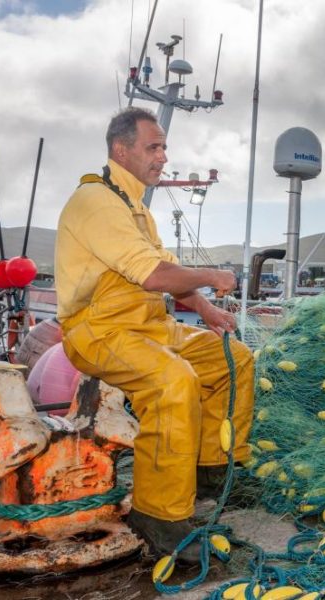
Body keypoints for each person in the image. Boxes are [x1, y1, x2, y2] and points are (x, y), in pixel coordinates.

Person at [55, 107, 255, 561]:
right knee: (173, 381)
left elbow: (164, 268)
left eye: (163, 147)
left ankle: (209, 472)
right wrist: (212, 275)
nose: (164, 156)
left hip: (150, 326)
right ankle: (158, 515)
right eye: (154, 147)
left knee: (234, 360)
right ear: (121, 150)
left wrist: (204, 308)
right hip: (99, 331)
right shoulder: (95, 202)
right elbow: (153, 274)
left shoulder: (135, 209)